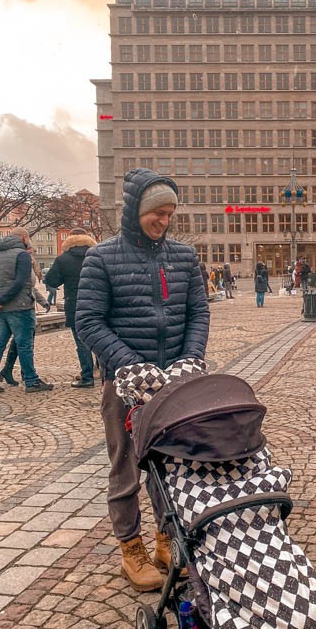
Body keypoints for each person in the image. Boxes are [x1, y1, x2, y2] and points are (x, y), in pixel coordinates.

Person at [75, 168, 209, 592]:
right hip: (125, 383)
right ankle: (130, 548)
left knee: (172, 464)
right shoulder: (102, 257)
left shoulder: (184, 257)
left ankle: (167, 539)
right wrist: (127, 364)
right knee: (126, 467)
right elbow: (88, 321)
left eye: (170, 214)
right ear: (136, 211)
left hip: (172, 380)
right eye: (157, 213)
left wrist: (190, 358)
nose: (164, 222)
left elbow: (198, 314)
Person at [0, 227, 54, 395]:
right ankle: (31, 381)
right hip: (20, 306)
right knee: (24, 345)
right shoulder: (22, 255)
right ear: (24, 238)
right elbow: (21, 282)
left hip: (0, 309)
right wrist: (1, 300)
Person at [44, 228, 97, 387]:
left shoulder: (63, 259)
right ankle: (106, 374)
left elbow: (51, 281)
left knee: (82, 343)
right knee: (102, 339)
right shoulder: (97, 255)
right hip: (99, 304)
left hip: (76, 305)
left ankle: (87, 377)